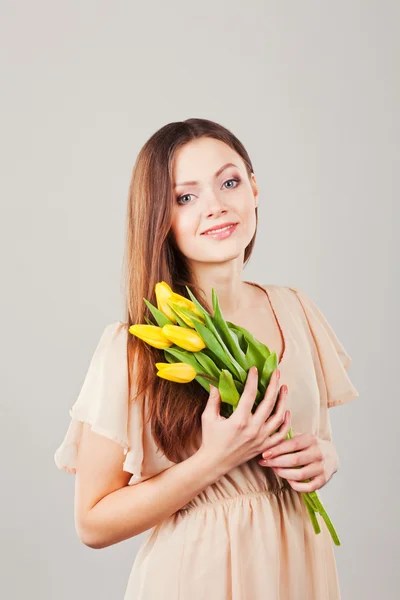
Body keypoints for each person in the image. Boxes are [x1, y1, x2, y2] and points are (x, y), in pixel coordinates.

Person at [54, 118, 359, 599]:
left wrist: (325, 457)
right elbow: (92, 523)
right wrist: (212, 461)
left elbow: (313, 440)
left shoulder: (296, 309)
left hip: (299, 565)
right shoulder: (137, 345)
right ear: (160, 217)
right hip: (199, 577)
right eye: (185, 197)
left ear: (255, 188)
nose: (216, 207)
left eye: (230, 182)